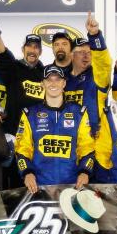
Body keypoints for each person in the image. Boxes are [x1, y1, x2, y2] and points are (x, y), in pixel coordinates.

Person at [14, 64, 95, 193]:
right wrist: (27, 172)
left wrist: (85, 171)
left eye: (57, 79)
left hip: (72, 187)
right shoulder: (29, 114)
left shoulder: (79, 112)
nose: (53, 83)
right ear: (42, 84)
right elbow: (22, 149)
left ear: (64, 83)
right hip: (38, 188)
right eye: (49, 79)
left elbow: (87, 147)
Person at [0, 19, 45, 134]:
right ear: (23, 49)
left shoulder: (46, 74)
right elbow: (3, 54)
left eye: (36, 47)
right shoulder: (14, 68)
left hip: (37, 133)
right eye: (29, 46)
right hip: (12, 131)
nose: (32, 50)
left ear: (40, 52)